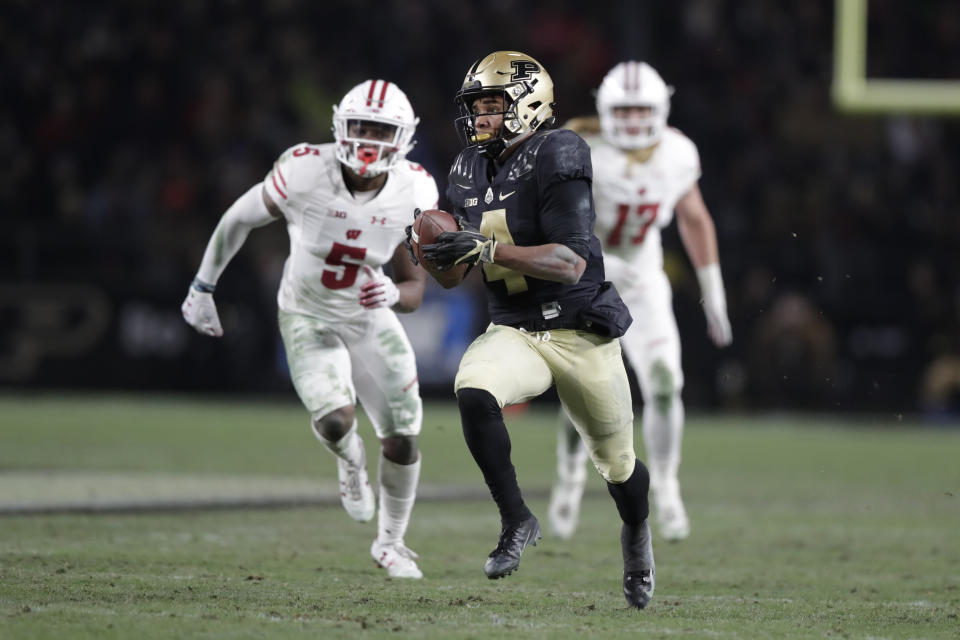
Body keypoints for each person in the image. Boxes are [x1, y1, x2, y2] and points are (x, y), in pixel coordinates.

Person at [417, 51, 655, 609]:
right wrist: (433, 255)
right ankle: (516, 520)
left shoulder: (560, 150)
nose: (480, 116)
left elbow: (571, 262)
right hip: (517, 330)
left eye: (492, 104)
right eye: (475, 105)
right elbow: (454, 280)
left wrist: (490, 248)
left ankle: (637, 536)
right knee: (473, 390)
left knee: (619, 466)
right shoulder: (464, 169)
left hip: (579, 328)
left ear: (527, 103)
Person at [181, 80, 438, 579]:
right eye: (360, 125)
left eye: (379, 129)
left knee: (404, 435)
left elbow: (414, 287)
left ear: (402, 137)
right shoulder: (304, 170)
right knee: (337, 421)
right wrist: (202, 287)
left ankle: (391, 544)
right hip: (308, 312)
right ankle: (348, 460)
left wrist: (392, 295)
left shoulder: (416, 190)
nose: (367, 138)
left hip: (368, 318)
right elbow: (239, 217)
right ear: (340, 125)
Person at [547, 61, 733, 543]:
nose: (631, 121)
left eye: (641, 111)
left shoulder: (677, 153)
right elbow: (553, 220)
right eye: (622, 111)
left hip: (645, 276)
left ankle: (668, 484)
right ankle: (568, 481)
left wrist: (713, 289)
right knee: (585, 391)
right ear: (606, 110)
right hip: (587, 274)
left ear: (661, 109)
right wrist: (595, 261)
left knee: (666, 382)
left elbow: (694, 219)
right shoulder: (581, 150)